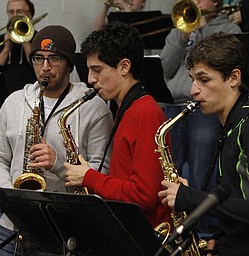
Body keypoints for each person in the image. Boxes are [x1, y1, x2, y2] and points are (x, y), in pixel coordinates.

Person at [0, 25, 113, 256]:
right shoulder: (14, 102)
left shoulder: (94, 108)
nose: (45, 67)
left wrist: (58, 163)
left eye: (54, 59)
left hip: (61, 231)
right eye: (38, 58)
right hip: (12, 223)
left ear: (70, 64)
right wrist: (11, 198)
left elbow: (103, 171)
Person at [158, 32, 249, 256]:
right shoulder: (232, 124)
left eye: (204, 79)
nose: (193, 90)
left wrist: (191, 198)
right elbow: (240, 200)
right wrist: (220, 240)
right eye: (192, 80)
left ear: (233, 78)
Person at [65, 21, 172, 229]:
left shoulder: (145, 113)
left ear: (124, 67)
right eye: (89, 70)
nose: (90, 79)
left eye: (97, 70)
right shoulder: (126, 110)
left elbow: (144, 195)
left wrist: (89, 177)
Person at [160, 0, 242, 200]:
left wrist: (203, 27)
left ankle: (204, 226)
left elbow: (218, 62)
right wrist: (183, 37)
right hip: (173, 105)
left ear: (215, 2)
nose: (195, 2)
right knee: (170, 169)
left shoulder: (229, 28)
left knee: (201, 170)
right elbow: (166, 68)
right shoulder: (177, 31)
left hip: (205, 108)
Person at [0, 0, 37, 94]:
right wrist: (6, 49)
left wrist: (25, 40)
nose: (15, 15)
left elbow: (38, 67)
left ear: (30, 14)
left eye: (19, 11)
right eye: (11, 12)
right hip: (1, 98)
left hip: (30, 96)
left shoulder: (39, 38)